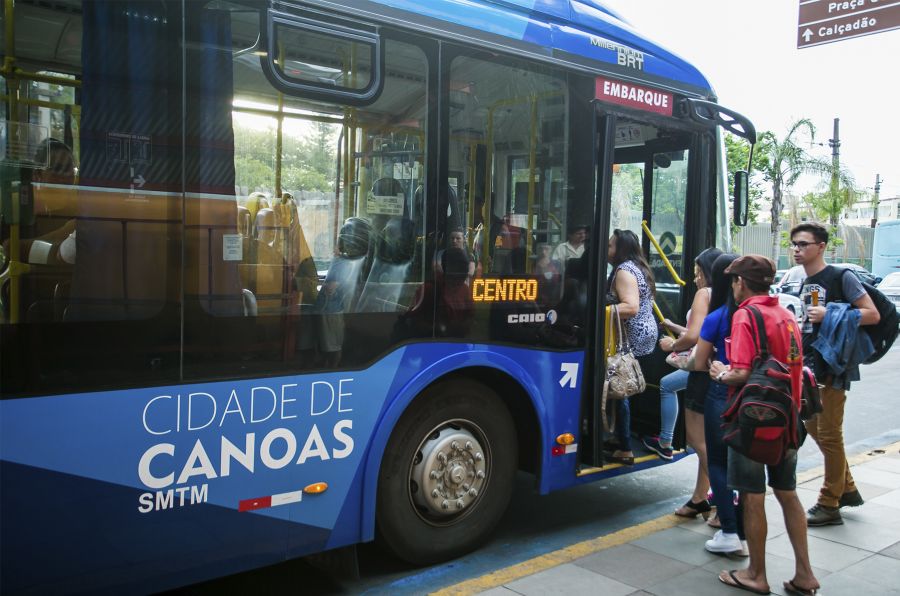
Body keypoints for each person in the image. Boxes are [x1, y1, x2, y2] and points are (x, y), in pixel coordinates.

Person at [709, 255, 820, 596]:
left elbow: (741, 373)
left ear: (741, 282)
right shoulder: (785, 314)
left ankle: (756, 574)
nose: (733, 286)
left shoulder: (746, 314)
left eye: (734, 281)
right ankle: (805, 575)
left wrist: (719, 373)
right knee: (787, 494)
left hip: (754, 422)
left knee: (752, 496)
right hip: (787, 420)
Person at [790, 222, 880, 527]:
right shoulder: (804, 282)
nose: (797, 250)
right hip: (810, 366)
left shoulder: (842, 277)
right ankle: (848, 487)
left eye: (803, 244)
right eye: (794, 245)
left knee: (829, 434)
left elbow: (872, 314)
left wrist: (831, 313)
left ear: (821, 246)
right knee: (813, 426)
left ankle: (829, 503)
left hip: (833, 365)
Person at [651, 248, 721, 522]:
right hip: (714, 370)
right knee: (707, 440)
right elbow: (704, 332)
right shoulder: (725, 295)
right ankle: (700, 497)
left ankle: (722, 496)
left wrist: (673, 344)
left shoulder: (704, 294)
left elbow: (694, 336)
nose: (695, 279)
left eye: (697, 273)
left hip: (701, 371)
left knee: (698, 441)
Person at [693, 252, 746, 555]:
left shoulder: (718, 317)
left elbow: (700, 362)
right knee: (748, 469)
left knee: (718, 462)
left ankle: (729, 531)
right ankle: (746, 531)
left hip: (722, 394)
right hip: (755, 397)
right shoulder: (765, 313)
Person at [605, 229, 657, 465]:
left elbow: (631, 307)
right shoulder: (639, 267)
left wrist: (600, 310)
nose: (607, 250)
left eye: (610, 246)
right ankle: (620, 437)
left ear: (621, 249)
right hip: (646, 331)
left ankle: (625, 446)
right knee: (624, 385)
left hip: (631, 334)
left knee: (620, 385)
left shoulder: (624, 271)